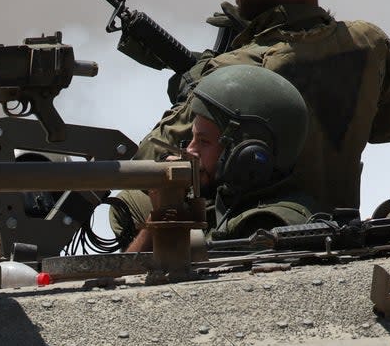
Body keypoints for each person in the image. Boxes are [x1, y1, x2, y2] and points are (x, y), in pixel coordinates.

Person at [112, 0, 390, 244]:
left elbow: (148, 163)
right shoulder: (370, 43)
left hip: (253, 236)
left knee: (128, 206)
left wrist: (199, 87)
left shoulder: (237, 70)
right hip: (341, 225)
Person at [122, 65, 312, 251]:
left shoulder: (261, 224)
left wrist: (157, 221)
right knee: (127, 202)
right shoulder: (230, 195)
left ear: (248, 156)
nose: (190, 149)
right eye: (193, 137)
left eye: (203, 142)